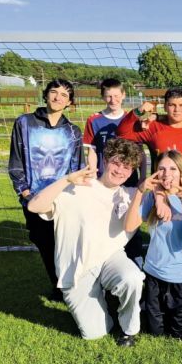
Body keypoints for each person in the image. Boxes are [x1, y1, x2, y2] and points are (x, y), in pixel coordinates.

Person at [26, 138, 145, 347]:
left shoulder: (131, 195)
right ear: (106, 160)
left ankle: (130, 330)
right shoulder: (77, 188)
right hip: (76, 268)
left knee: (132, 277)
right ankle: (103, 306)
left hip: (110, 259)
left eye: (127, 167)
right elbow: (34, 207)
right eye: (116, 163)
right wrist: (67, 179)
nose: (120, 170)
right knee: (94, 333)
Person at [8, 78, 82, 301]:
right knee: (45, 244)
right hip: (34, 199)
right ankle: (57, 285)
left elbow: (76, 167)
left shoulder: (73, 132)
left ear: (70, 102)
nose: (58, 97)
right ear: (46, 94)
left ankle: (70, 287)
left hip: (63, 201)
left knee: (66, 244)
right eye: (54, 92)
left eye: (64, 95)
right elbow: (16, 162)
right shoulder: (24, 123)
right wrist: (25, 193)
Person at [125, 150, 182, 340]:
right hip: (154, 273)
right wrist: (140, 191)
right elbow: (130, 226)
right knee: (155, 331)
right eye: (161, 168)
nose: (166, 174)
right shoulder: (152, 198)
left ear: (181, 171)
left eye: (173, 168)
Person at [83, 77, 149, 263]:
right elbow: (92, 151)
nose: (113, 100)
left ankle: (136, 263)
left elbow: (140, 152)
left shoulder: (132, 119)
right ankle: (103, 264)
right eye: (108, 96)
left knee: (131, 223)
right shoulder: (94, 120)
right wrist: (93, 174)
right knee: (104, 224)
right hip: (104, 183)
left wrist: (142, 177)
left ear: (124, 95)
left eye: (116, 96)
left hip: (129, 181)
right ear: (103, 97)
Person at [117, 87, 182, 184]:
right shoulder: (152, 127)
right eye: (172, 105)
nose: (177, 109)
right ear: (165, 107)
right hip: (160, 191)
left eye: (181, 105)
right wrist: (138, 111)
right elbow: (122, 133)